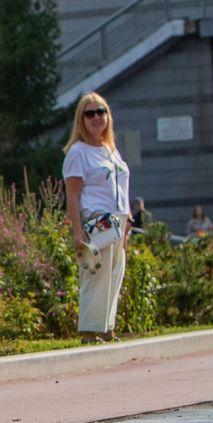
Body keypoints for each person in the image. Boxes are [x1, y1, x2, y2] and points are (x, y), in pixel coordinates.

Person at [64, 91, 131, 342]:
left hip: (118, 220)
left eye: (101, 112)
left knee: (115, 275)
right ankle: (89, 332)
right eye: (89, 113)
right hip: (96, 220)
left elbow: (122, 185)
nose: (96, 117)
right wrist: (78, 231)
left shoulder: (110, 149)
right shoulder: (78, 152)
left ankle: (107, 328)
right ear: (81, 119)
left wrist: (129, 221)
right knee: (96, 274)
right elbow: (72, 195)